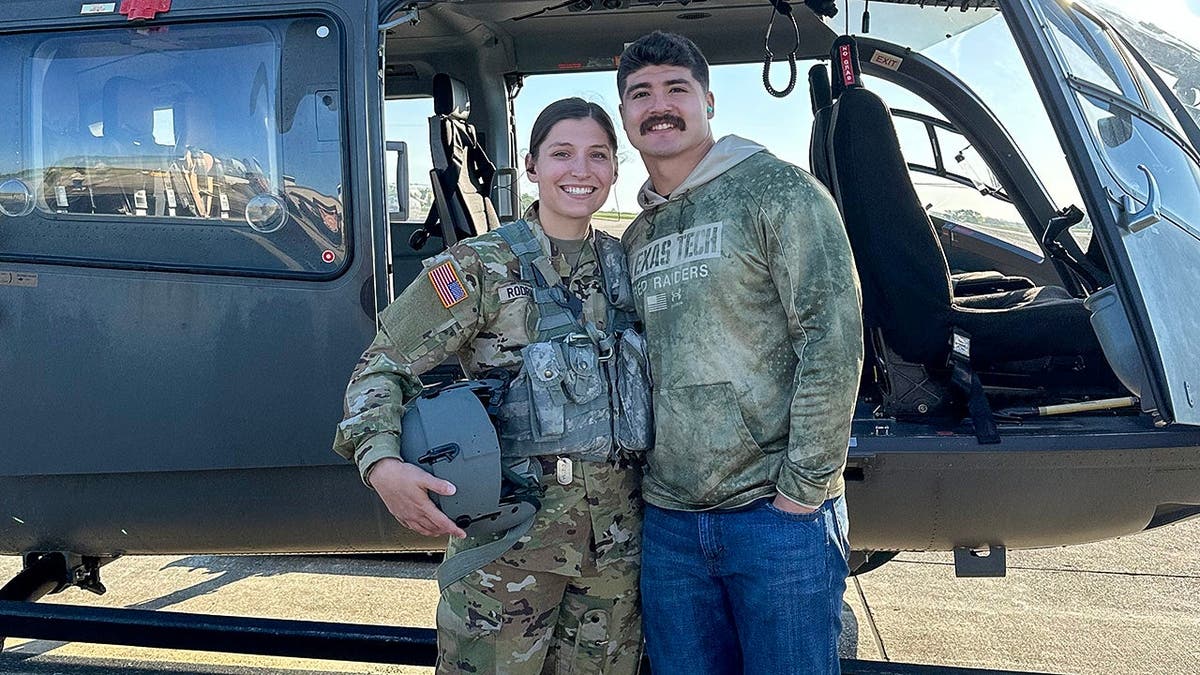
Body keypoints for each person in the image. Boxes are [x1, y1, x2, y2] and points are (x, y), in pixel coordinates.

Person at [332, 98, 647, 674]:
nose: (580, 170)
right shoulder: (480, 266)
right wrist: (381, 464)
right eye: (562, 154)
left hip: (615, 558)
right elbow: (381, 365)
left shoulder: (629, 265)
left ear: (614, 169)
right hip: (508, 550)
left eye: (598, 155)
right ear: (531, 166)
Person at [616, 31, 864, 674]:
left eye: (676, 88)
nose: (659, 105)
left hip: (773, 515)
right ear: (625, 115)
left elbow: (831, 341)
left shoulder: (778, 192)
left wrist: (802, 493)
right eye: (641, 94)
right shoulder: (637, 234)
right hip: (670, 521)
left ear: (709, 101)